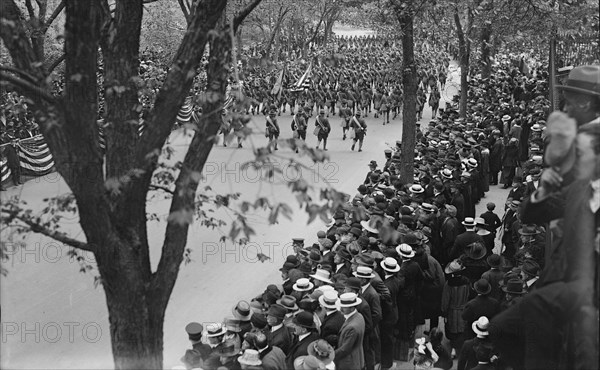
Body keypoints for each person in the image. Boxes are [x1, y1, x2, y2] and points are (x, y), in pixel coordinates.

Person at [334, 292, 366, 370]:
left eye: (344, 307)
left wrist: (329, 355)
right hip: (357, 357)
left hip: (349, 363)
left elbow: (344, 349)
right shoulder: (359, 316)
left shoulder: (352, 327)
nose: (341, 309)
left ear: (352, 308)